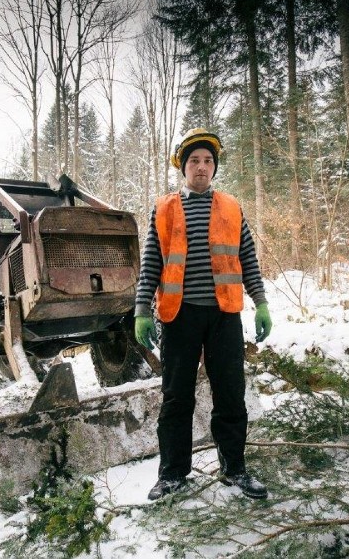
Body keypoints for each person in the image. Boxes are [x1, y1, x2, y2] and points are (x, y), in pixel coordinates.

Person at [134, 128, 273, 501]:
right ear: (183, 167)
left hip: (224, 315)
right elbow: (151, 262)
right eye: (194, 160)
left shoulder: (230, 206)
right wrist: (141, 310)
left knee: (231, 393)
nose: (201, 166)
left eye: (208, 161)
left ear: (214, 167)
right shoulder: (164, 209)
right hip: (179, 317)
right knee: (176, 397)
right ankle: (172, 474)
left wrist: (261, 303)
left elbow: (248, 259)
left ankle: (235, 469)